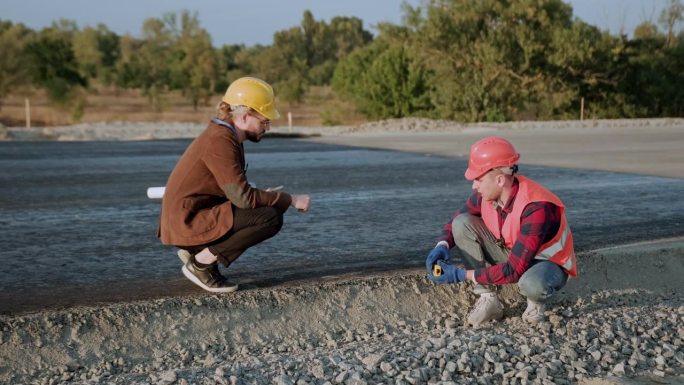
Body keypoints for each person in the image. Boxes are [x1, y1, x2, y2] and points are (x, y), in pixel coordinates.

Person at [158, 77, 311, 293]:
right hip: (188, 222)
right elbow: (244, 198)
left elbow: (236, 192)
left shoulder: (225, 134)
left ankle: (199, 252)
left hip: (193, 215)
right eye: (264, 121)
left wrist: (262, 197)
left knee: (265, 208)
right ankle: (201, 263)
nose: (267, 127)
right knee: (269, 217)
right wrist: (291, 199)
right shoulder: (220, 141)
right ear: (245, 116)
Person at [425, 136, 576, 327]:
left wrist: (461, 275)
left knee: (532, 285)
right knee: (462, 223)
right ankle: (489, 300)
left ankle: (535, 302)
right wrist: (442, 245)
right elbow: (457, 219)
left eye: (478, 179)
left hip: (547, 264)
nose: (474, 186)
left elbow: (514, 270)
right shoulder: (486, 195)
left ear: (499, 180)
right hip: (516, 255)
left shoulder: (537, 207)